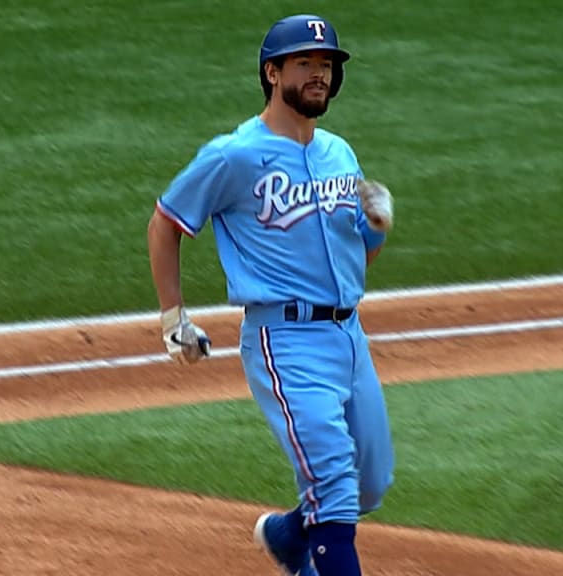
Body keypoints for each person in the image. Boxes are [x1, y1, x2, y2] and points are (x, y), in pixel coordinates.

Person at [146, 13, 396, 576]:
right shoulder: (233, 155)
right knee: (334, 487)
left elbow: (357, 259)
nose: (319, 75)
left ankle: (287, 536)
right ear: (272, 72)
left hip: (349, 337)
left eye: (326, 65)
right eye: (305, 63)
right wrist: (172, 318)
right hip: (285, 341)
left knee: (370, 483)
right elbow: (165, 223)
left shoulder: (339, 153)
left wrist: (374, 229)